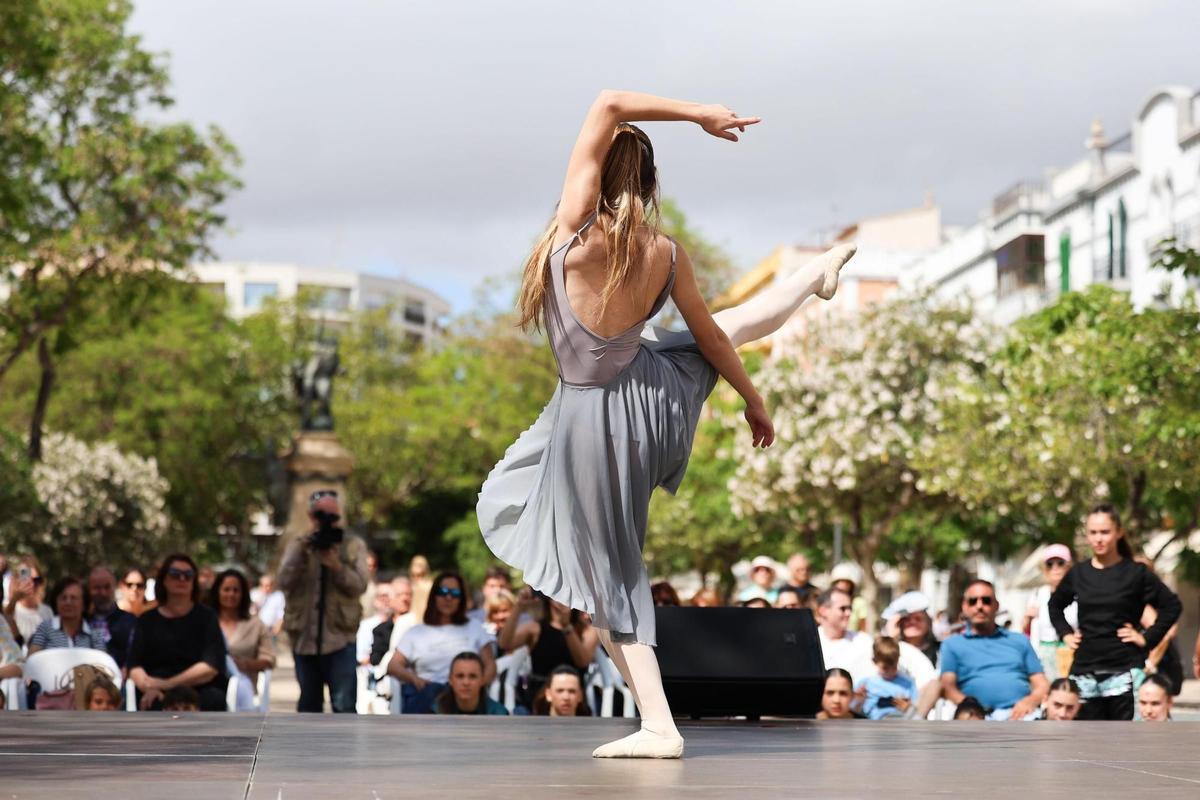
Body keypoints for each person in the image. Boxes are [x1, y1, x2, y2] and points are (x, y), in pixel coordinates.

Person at [477, 89, 855, 759]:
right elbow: (712, 339)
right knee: (728, 324)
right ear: (648, 184)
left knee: (608, 571)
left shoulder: (574, 231)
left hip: (597, 417)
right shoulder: (666, 253)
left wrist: (698, 114)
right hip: (645, 401)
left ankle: (659, 724)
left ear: (591, 172)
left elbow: (608, 101)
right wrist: (752, 398)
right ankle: (810, 279)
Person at [1049, 504, 1182, 720]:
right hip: (1085, 672)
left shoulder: (1136, 573)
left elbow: (1172, 606)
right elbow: (1054, 605)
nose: (1098, 539)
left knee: (1127, 745)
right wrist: (1065, 633)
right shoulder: (1078, 573)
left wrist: (1147, 638)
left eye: (1105, 532)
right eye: (1093, 533)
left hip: (1125, 672)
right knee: (1085, 745)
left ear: (1119, 532)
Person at [278, 489, 370, 713]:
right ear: (311, 515)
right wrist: (302, 550)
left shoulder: (351, 545)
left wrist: (336, 566)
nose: (328, 521)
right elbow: (284, 581)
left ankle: (345, 748)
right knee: (309, 705)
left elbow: (360, 585)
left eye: (333, 516)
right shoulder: (299, 544)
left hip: (340, 637)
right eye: (321, 515)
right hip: (304, 638)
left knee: (344, 704)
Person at [127, 554, 229, 711]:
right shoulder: (146, 620)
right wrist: (147, 687)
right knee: (150, 703)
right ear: (164, 580)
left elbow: (211, 667)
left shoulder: (207, 618)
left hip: (200, 689)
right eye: (175, 574)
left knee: (214, 699)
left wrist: (168, 684)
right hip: (156, 690)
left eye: (188, 575)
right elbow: (134, 665)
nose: (182, 579)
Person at [387, 571, 496, 713]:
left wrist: (477, 685)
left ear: (461, 598)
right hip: (428, 692)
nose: (448, 597)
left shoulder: (475, 627)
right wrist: (414, 679)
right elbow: (393, 665)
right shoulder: (416, 632)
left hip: (466, 695)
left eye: (455, 593)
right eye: (443, 591)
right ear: (434, 596)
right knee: (433, 692)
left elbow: (490, 665)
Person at [939, 579, 1048, 721]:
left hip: (1021, 715)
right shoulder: (952, 644)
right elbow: (947, 687)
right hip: (974, 717)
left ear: (996, 605)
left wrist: (1030, 701)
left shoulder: (1019, 640)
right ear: (964, 607)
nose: (979, 606)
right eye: (973, 601)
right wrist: (972, 708)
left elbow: (1042, 684)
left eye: (986, 600)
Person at [500, 587, 599, 707]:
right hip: (540, 699)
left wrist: (567, 627)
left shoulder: (587, 631)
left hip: (572, 700)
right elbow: (505, 643)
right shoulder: (535, 628)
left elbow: (582, 661)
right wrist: (518, 608)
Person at [211, 568, 276, 710]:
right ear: (217, 591)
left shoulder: (255, 624)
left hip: (243, 691)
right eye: (226, 589)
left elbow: (269, 659)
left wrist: (243, 665)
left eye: (236, 590)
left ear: (243, 594)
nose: (231, 594)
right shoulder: (207, 621)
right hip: (210, 685)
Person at [1023, 544, 1077, 681]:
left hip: (1071, 652)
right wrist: (1027, 618)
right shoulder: (1037, 595)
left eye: (1060, 563)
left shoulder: (1079, 594)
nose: (1055, 568)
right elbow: (1025, 631)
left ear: (1068, 566)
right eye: (1049, 564)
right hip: (1044, 655)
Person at [28, 577, 103, 653]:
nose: (68, 602)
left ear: (84, 604)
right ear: (56, 602)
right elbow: (32, 659)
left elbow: (102, 663)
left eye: (73, 598)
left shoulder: (95, 635)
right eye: (63, 598)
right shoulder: (45, 628)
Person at [816, 587, 874, 684]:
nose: (848, 613)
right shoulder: (810, 641)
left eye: (850, 608)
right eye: (843, 608)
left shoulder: (864, 641)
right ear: (823, 611)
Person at [855, 637, 917, 720]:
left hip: (901, 722)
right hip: (874, 724)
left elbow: (916, 707)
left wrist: (908, 707)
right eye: (885, 668)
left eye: (894, 667)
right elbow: (853, 707)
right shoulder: (866, 683)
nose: (890, 671)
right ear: (874, 661)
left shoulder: (907, 684)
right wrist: (859, 698)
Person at [87, 566, 137, 668]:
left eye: (107, 587)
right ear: (89, 590)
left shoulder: (130, 622)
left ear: (114, 587)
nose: (103, 593)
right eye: (97, 588)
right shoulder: (81, 622)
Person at [433, 651, 509, 716]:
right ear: (450, 679)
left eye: (473, 676)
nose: (466, 683)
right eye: (460, 676)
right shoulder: (436, 712)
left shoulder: (498, 714)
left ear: (482, 680)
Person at [882, 591, 940, 666]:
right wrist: (891, 637)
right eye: (907, 619)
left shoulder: (940, 650)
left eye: (918, 619)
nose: (912, 622)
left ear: (928, 623)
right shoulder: (895, 648)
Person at [4, 556, 53, 643]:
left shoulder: (47, 611)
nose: (31, 584)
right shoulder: (11, 608)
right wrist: (14, 599)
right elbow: (4, 622)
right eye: (25, 578)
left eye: (36, 580)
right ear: (16, 580)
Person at [356, 581, 394, 664]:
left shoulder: (399, 624)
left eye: (390, 596)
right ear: (375, 600)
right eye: (383, 596)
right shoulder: (366, 626)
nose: (387, 599)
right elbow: (361, 658)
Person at [828, 563, 868, 633]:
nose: (843, 584)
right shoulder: (827, 601)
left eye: (846, 582)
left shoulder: (859, 602)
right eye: (840, 581)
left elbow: (862, 627)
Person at [408, 555, 433, 622]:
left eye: (420, 565)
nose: (417, 567)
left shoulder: (429, 585)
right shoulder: (408, 585)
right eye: (415, 564)